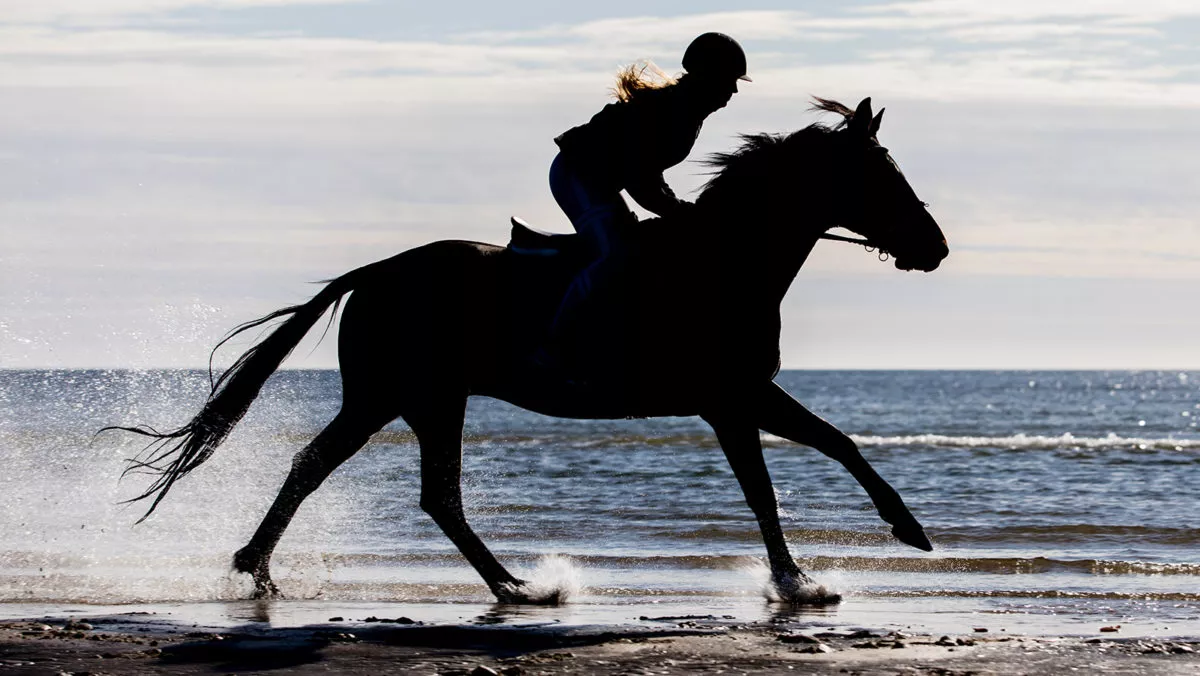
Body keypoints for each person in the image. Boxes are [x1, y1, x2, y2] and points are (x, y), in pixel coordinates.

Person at [545, 32, 750, 371]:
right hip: (576, 173)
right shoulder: (669, 110)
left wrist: (682, 211)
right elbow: (641, 179)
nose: (734, 90)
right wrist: (682, 211)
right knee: (615, 253)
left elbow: (648, 176)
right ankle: (554, 346)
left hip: (602, 180)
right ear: (707, 76)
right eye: (729, 81)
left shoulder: (686, 110)